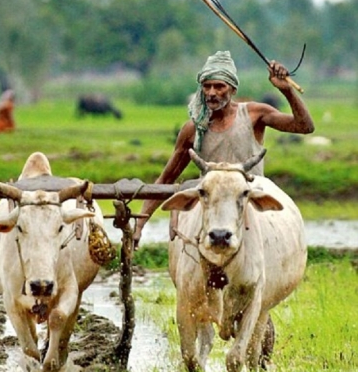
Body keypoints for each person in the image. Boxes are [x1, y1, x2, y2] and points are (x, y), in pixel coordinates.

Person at [133, 50, 315, 249]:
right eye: (207, 86)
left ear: (233, 89)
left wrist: (287, 90)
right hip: (210, 203)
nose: (212, 92)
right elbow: (166, 179)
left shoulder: (254, 114)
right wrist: (140, 225)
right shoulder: (193, 129)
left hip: (247, 201)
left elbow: (305, 126)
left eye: (219, 86)